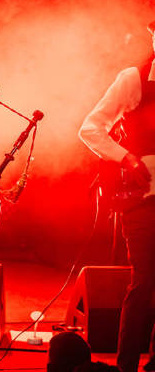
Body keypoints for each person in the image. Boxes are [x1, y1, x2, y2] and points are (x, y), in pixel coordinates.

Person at [78, 20, 155, 372]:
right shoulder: (133, 79)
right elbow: (90, 128)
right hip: (142, 200)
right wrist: (125, 157)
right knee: (145, 282)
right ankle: (126, 366)